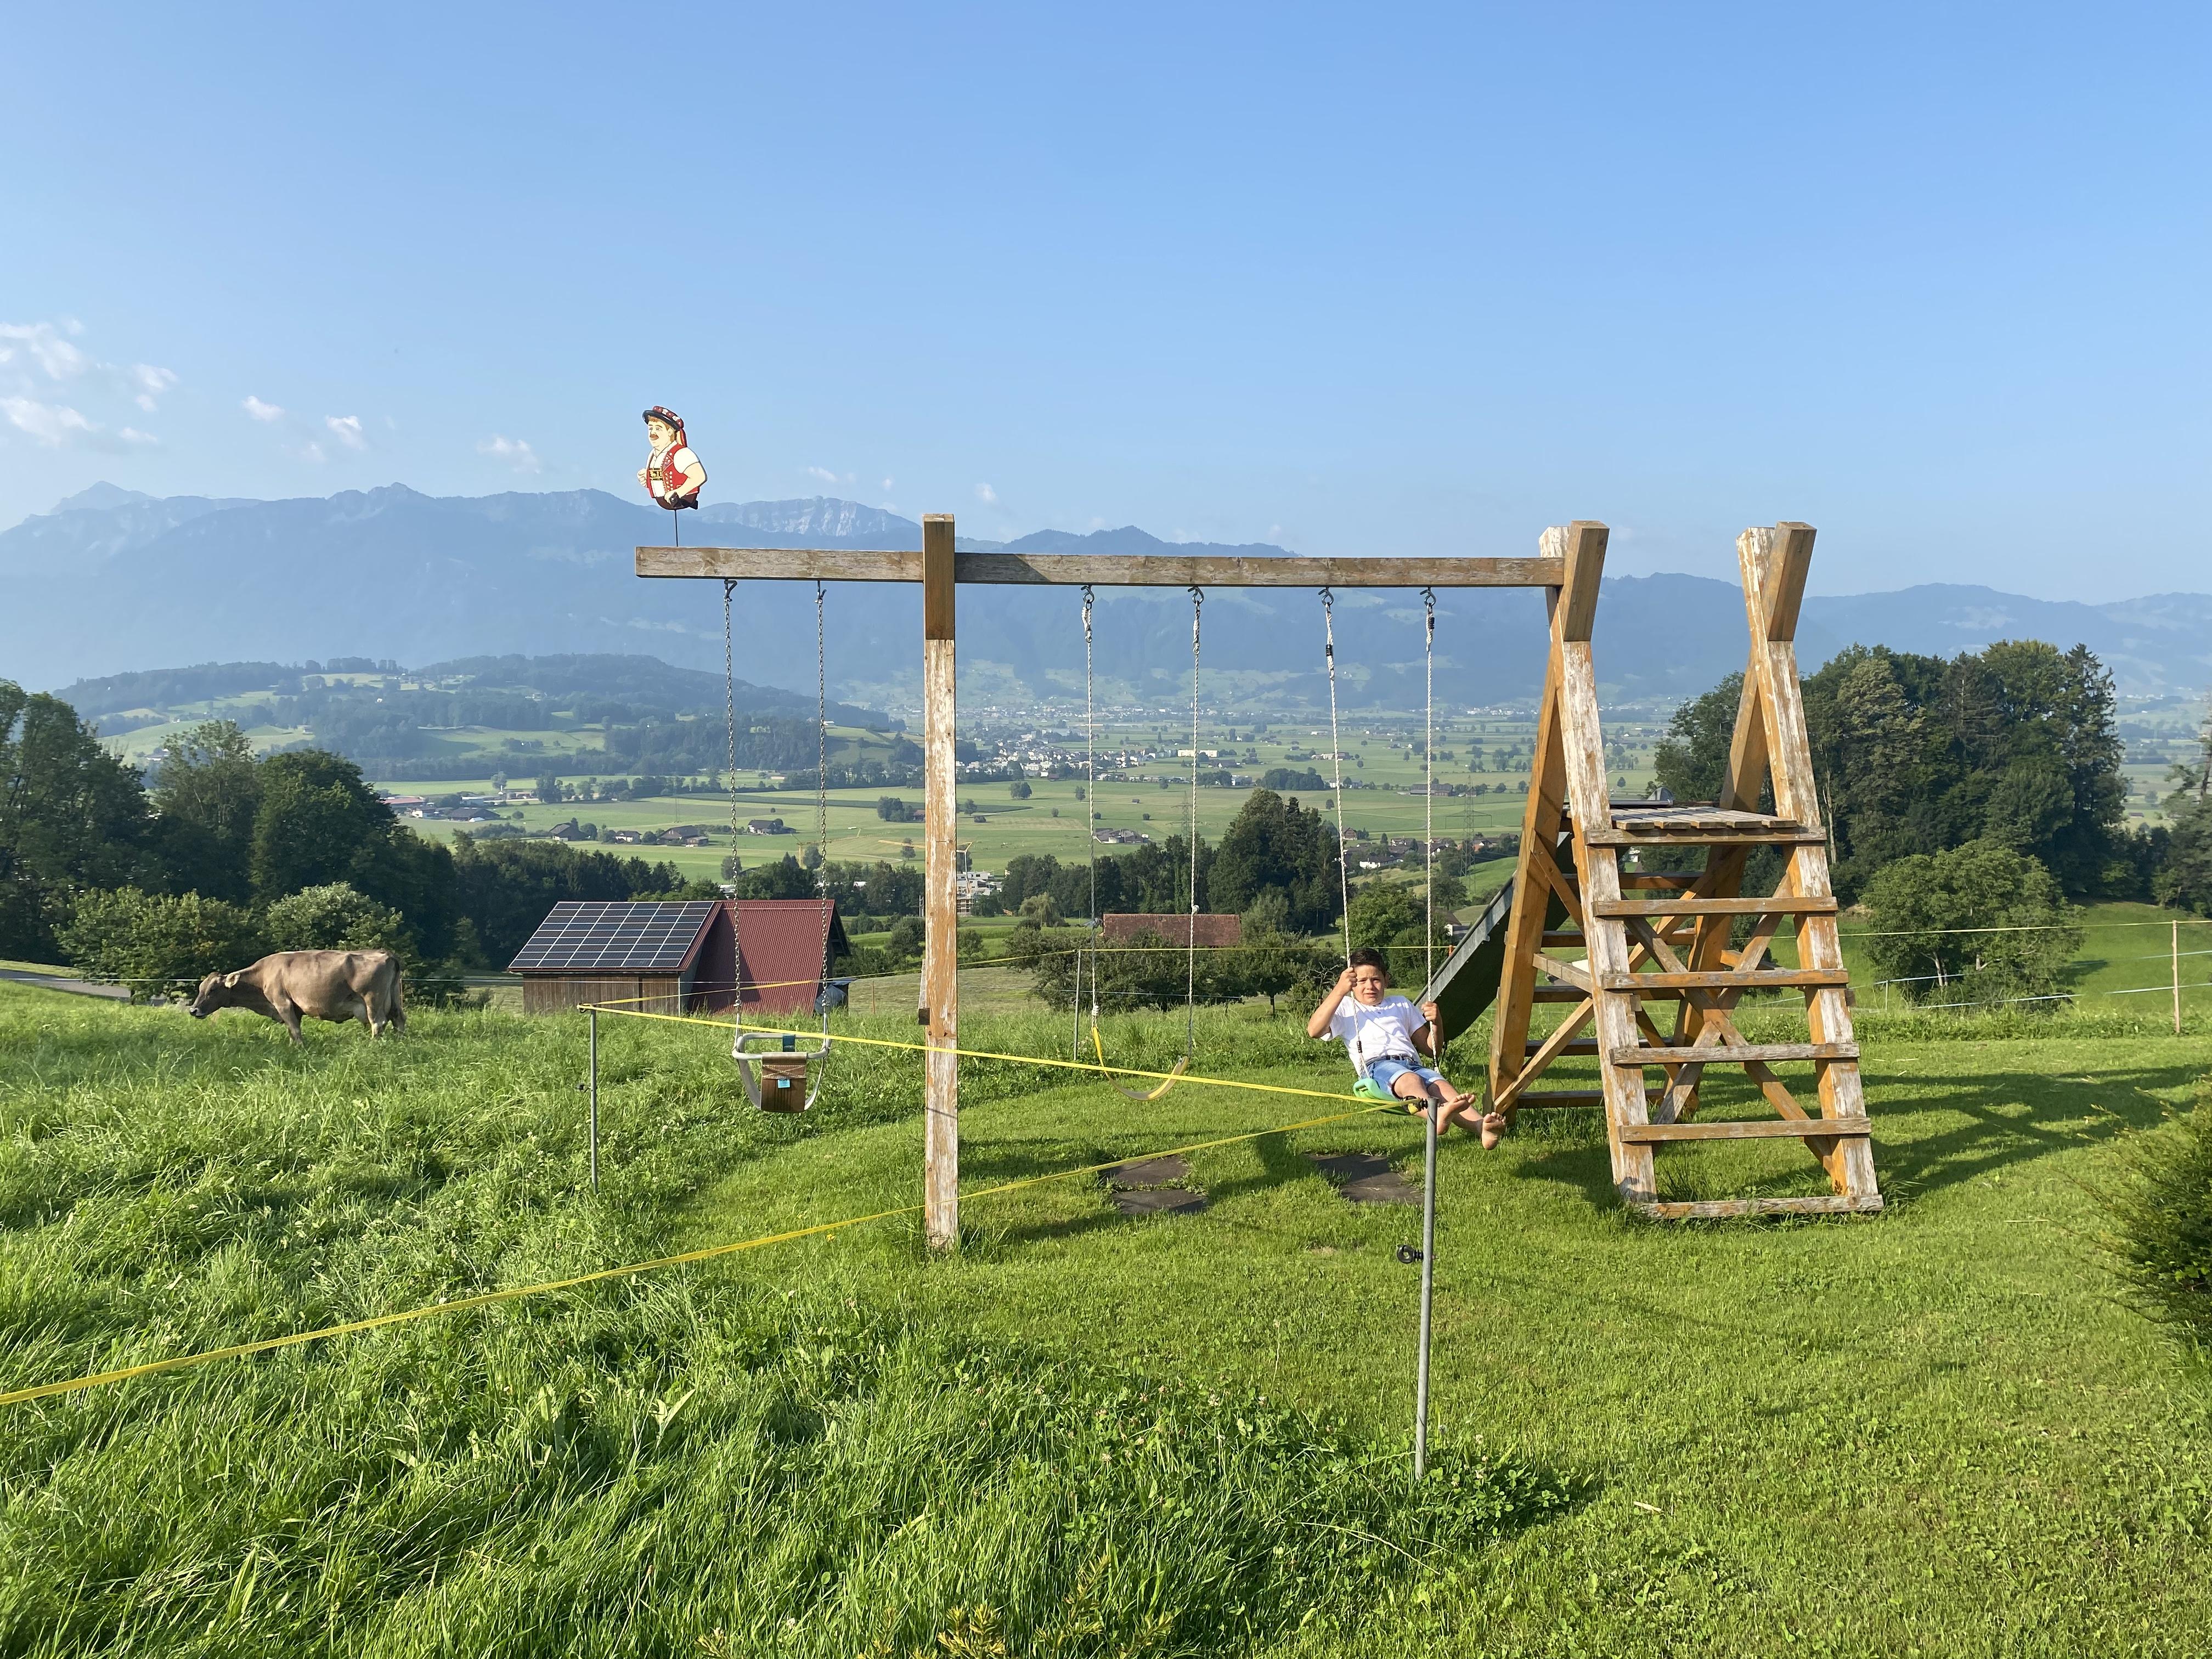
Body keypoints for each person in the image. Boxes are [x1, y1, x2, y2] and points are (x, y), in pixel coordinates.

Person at [1307, 946, 1504, 1148]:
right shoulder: (1347, 1007)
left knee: (1441, 1087)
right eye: (1362, 981)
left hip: (1413, 1065)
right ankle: (1436, 1115)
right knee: (1410, 1080)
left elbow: (1430, 1049)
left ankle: (1482, 1127)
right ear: (1352, 983)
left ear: (1386, 979)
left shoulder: (1401, 1004)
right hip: (1377, 1068)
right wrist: (1339, 990)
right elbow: (1314, 1030)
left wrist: (1437, 1024)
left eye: (1376, 980)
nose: (1370, 986)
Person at [637, 405, 705, 511]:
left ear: (670, 432)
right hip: (663, 502)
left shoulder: (681, 453)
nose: (653, 433)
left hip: (681, 501)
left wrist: (677, 493)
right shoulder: (652, 455)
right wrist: (648, 479)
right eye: (651, 428)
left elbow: (699, 477)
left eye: (658, 429)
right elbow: (661, 477)